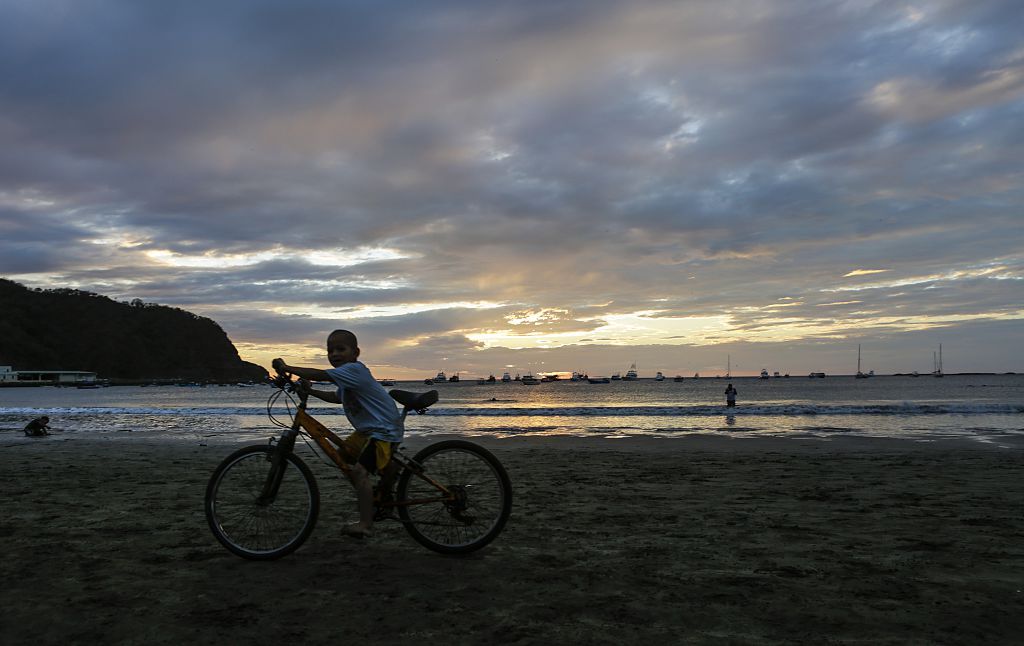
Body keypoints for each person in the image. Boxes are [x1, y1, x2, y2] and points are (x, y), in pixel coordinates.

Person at [272, 329, 403, 539]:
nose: (334, 354)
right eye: (330, 350)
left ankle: (366, 524)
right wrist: (310, 392)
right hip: (367, 431)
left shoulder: (354, 370)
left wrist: (287, 368)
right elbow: (336, 397)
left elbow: (321, 375)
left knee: (359, 472)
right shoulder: (347, 378)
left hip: (383, 430)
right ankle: (385, 478)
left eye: (340, 349)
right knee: (342, 457)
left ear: (356, 352)